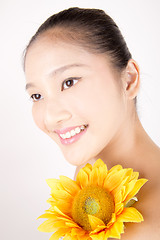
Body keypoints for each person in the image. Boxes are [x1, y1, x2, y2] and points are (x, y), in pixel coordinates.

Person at [24, 7, 160, 239]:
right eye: (37, 96)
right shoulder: (89, 177)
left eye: (69, 82)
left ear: (129, 79)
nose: (49, 117)